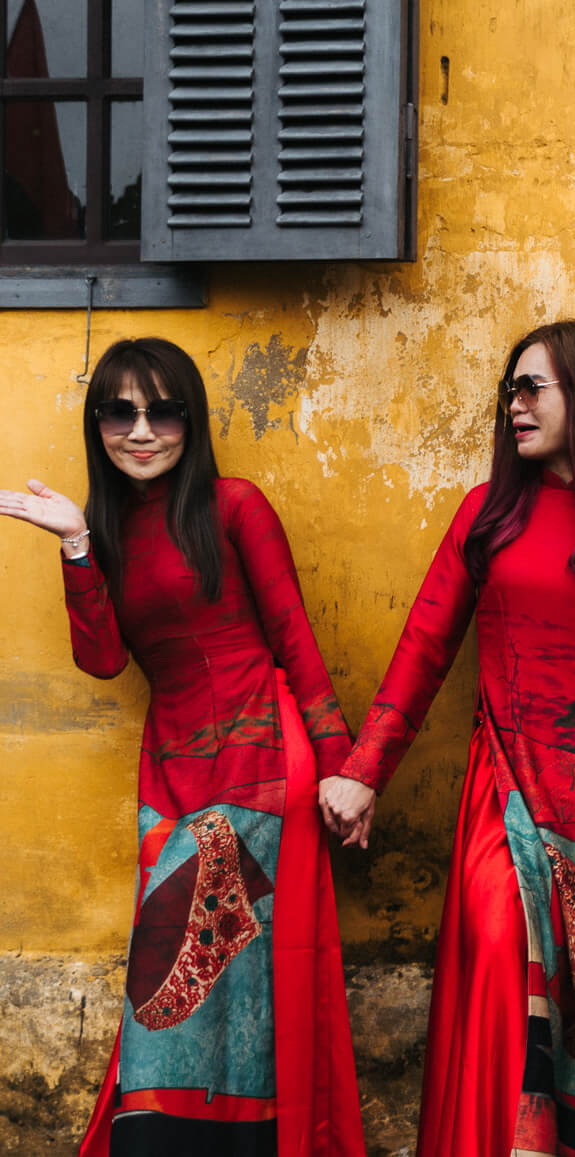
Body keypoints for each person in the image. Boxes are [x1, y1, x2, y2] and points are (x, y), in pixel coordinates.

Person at [318, 320, 575, 1157]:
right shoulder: (486, 516)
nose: (515, 404)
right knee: (501, 950)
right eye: (511, 388)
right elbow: (424, 647)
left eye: (534, 387)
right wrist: (365, 770)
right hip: (509, 795)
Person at [0, 337, 365, 1157]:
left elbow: (296, 643)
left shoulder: (234, 505)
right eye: (120, 411)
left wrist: (348, 771)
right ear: (97, 424)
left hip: (262, 770)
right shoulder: (104, 528)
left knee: (222, 990)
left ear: (189, 419)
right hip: (169, 780)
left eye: (162, 409)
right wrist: (73, 543)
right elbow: (102, 659)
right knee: (174, 990)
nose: (141, 430)